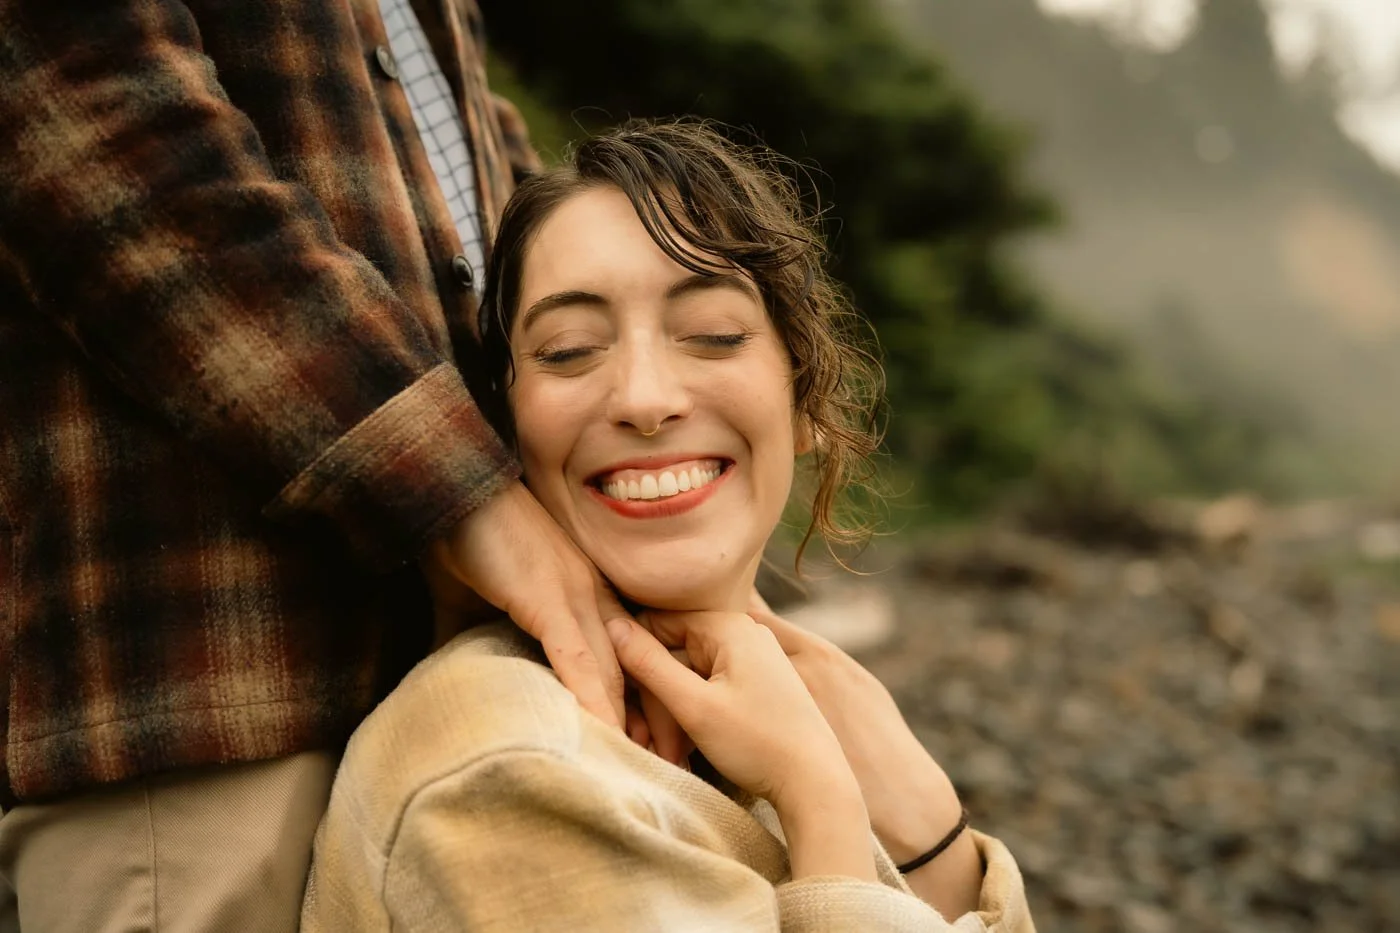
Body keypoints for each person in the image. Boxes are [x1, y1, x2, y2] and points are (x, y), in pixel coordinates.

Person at [0, 2, 655, 930]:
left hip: (468, 662)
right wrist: (456, 491)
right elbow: (96, 133)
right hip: (221, 690)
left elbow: (466, 180)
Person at [301, 120, 1036, 932]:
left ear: (803, 403)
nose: (645, 398)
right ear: (506, 427)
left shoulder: (795, 712)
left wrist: (932, 835)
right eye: (570, 350)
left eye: (713, 335)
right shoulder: (508, 762)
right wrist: (823, 801)